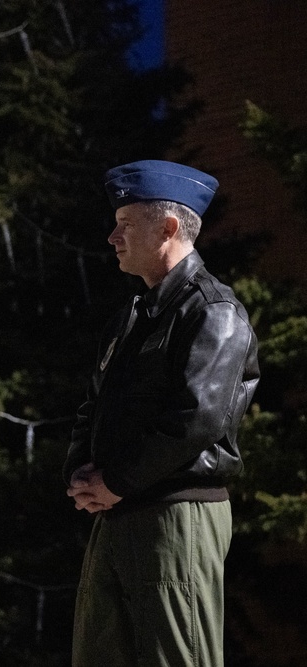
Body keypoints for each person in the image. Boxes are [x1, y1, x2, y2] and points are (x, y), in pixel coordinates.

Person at [64, 160, 259, 666]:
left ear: (168, 227)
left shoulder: (213, 310)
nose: (112, 236)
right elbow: (94, 404)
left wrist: (117, 480)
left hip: (177, 515)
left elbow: (198, 419)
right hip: (119, 511)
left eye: (126, 223)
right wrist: (81, 474)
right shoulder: (133, 317)